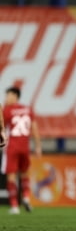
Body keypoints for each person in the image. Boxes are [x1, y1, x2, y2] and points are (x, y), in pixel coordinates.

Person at [2, 86, 42, 214]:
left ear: (14, 96)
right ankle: (26, 197)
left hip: (12, 146)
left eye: (8, 95)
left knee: (11, 176)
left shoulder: (7, 110)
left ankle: (14, 206)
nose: (6, 98)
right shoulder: (28, 109)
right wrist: (38, 146)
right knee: (24, 173)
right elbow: (34, 128)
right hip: (25, 146)